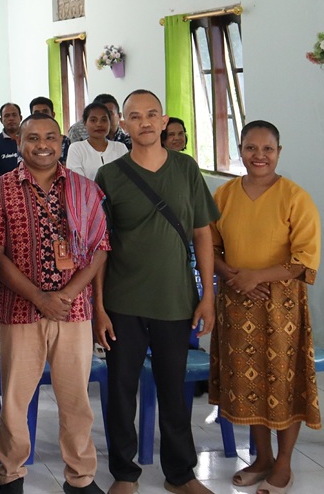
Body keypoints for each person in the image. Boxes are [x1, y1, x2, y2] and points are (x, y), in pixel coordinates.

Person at [93, 90, 218, 494]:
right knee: (121, 391)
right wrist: (99, 306)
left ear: (164, 121)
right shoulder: (109, 176)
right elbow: (100, 247)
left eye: (151, 115)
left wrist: (207, 295)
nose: (144, 122)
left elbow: (202, 233)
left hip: (174, 299)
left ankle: (180, 474)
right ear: (123, 126)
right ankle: (124, 474)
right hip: (122, 302)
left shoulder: (185, 169)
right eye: (134, 116)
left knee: (173, 391)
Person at [0, 113, 109, 494]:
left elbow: (100, 249)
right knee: (15, 404)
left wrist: (67, 296)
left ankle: (80, 478)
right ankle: (11, 475)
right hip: (19, 312)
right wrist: (39, 296)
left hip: (74, 313)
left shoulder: (85, 189)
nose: (43, 145)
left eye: (51, 137)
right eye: (33, 138)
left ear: (62, 142)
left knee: (76, 402)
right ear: (18, 143)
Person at [209, 120, 321, 494]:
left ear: (279, 152)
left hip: (280, 305)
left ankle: (284, 463)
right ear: (240, 150)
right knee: (250, 383)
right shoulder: (224, 195)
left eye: (267, 149)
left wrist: (257, 276)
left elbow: (304, 258)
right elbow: (210, 245)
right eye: (251, 148)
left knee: (284, 382)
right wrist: (229, 275)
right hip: (237, 301)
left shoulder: (295, 197)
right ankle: (262, 457)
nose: (259, 156)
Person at [66, 103, 130, 181]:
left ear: (109, 122)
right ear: (85, 123)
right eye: (93, 120)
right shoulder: (77, 148)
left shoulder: (120, 148)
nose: (99, 124)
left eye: (104, 120)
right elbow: (77, 182)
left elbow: (127, 179)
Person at [67, 94, 132, 150]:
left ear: (119, 116)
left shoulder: (128, 139)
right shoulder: (78, 131)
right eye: (94, 119)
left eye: (109, 114)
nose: (99, 123)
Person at [27, 96, 74, 165]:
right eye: (37, 113)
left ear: (53, 115)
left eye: (45, 112)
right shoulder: (26, 141)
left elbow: (67, 166)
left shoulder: (64, 141)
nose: (41, 116)